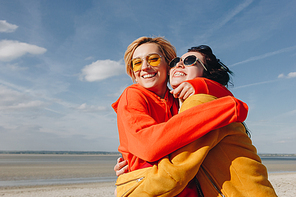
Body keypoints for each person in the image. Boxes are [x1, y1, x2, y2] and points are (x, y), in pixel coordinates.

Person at [114, 45, 277, 196]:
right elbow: (149, 145)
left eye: (154, 59)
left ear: (165, 66)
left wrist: (126, 187)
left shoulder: (195, 102)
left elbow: (174, 173)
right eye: (136, 63)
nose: (144, 67)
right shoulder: (136, 95)